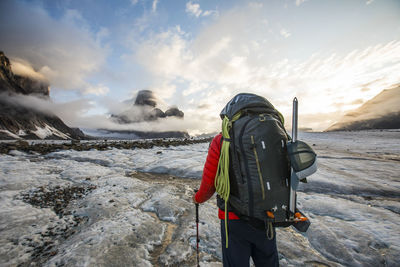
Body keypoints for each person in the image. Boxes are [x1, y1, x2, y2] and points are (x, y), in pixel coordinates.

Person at [192, 132, 279, 267]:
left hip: (233, 218)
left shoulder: (221, 140)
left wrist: (197, 198)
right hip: (266, 216)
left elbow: (209, 184)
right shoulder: (269, 135)